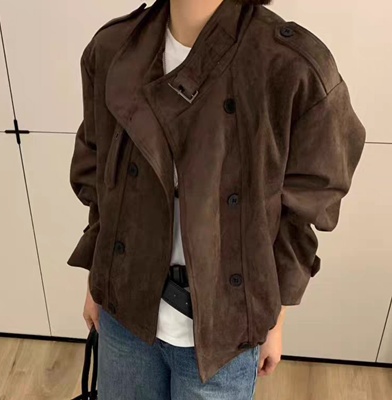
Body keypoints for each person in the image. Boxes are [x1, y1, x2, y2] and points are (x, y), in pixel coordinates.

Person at [68, 0, 366, 398]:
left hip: (225, 329)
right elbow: (102, 180)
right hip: (125, 312)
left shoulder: (291, 66)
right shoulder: (113, 48)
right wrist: (97, 278)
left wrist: (275, 316)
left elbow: (307, 205)